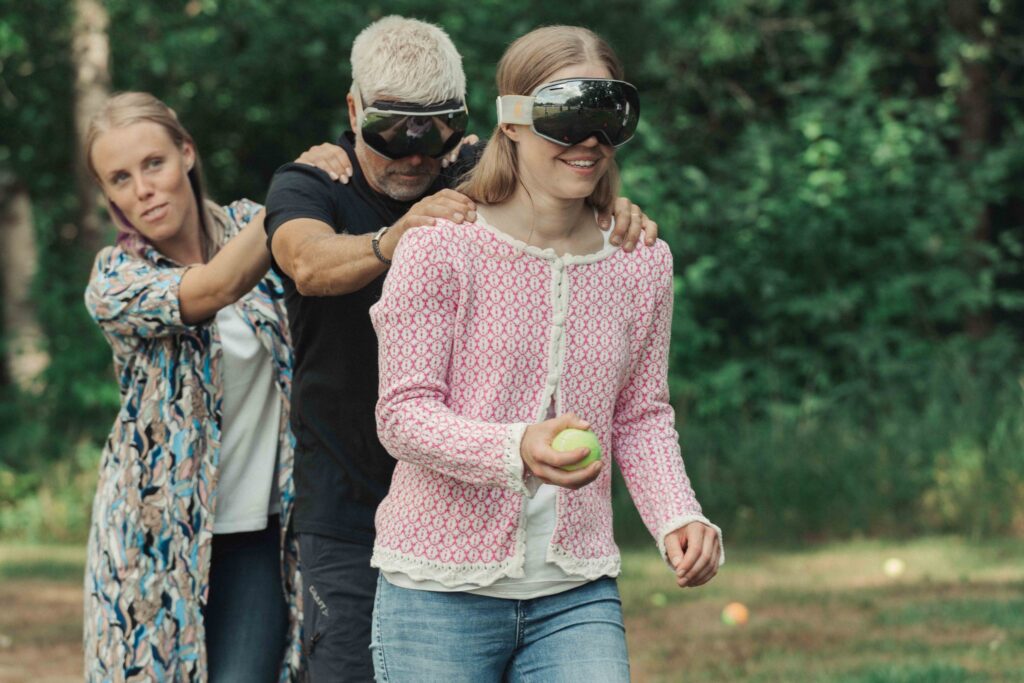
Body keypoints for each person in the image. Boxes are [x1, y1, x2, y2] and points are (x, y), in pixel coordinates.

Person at [264, 16, 657, 681]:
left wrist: (616, 212)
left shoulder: (475, 172)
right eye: (391, 132)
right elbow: (307, 263)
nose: (415, 155)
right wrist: (396, 238)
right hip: (347, 499)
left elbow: (562, 177)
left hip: (481, 511)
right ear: (355, 111)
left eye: (437, 130)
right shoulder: (312, 183)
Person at [367, 25, 724, 681]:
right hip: (436, 592)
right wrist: (516, 446)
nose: (590, 141)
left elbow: (641, 414)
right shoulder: (442, 247)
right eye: (567, 117)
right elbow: (404, 414)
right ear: (513, 122)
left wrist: (680, 512)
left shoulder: (640, 261)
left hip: (575, 591)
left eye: (608, 117)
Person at [81, 91, 339, 682]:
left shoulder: (256, 222)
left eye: (154, 163)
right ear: (108, 194)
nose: (143, 188)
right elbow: (214, 287)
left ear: (187, 154)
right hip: (153, 541)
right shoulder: (116, 279)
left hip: (259, 534)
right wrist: (296, 184)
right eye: (120, 178)